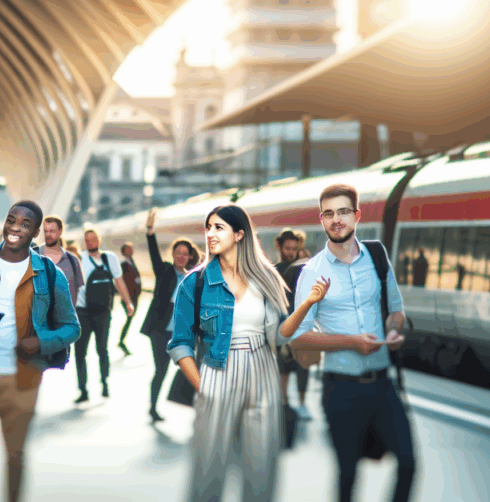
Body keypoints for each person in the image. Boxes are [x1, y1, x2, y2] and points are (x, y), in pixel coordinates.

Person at [167, 205, 326, 502]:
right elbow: (179, 343)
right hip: (217, 371)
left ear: (240, 235)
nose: (211, 234)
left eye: (219, 228)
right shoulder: (196, 282)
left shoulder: (266, 279)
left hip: (262, 372)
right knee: (208, 473)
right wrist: (203, 386)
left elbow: (278, 335)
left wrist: (306, 307)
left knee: (260, 474)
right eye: (209, 227)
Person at [289, 183, 415, 502]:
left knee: (409, 463)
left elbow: (396, 310)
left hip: (383, 386)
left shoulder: (376, 255)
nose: (336, 220)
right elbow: (298, 337)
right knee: (348, 475)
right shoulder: (312, 273)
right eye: (329, 213)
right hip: (341, 390)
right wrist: (351, 342)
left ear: (356, 216)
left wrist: (394, 330)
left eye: (343, 212)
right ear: (322, 220)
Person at [0, 201, 80, 502]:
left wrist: (39, 342)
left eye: (25, 224)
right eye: (11, 220)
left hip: (23, 380)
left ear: (36, 232)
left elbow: (71, 327)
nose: (15, 227)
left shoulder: (50, 274)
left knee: (15, 456)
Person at [138, 208, 201, 422]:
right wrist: (149, 231)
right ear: (173, 255)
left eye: (185, 253)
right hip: (161, 330)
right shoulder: (164, 270)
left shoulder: (193, 277)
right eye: (178, 253)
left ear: (190, 256)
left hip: (182, 333)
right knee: (161, 369)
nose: (181, 256)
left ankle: (191, 403)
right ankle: (153, 407)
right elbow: (153, 252)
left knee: (190, 368)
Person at [73, 228, 136, 403]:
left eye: (93, 239)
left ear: (99, 240)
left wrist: (128, 302)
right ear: (85, 242)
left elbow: (119, 281)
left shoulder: (110, 258)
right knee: (80, 352)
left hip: (103, 312)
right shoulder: (79, 258)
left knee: (102, 349)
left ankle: (104, 383)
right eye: (87, 239)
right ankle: (83, 390)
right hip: (82, 312)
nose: (91, 242)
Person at [274, 228, 313, 420]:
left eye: (294, 249)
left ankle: (303, 404)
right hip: (283, 326)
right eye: (287, 248)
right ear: (280, 247)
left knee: (303, 366)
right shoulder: (274, 271)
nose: (291, 252)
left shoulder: (304, 269)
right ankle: (284, 402)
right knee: (284, 368)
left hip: (303, 325)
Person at [40, 216, 85, 309]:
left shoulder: (73, 261)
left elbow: (79, 291)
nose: (48, 234)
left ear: (60, 231)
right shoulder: (33, 257)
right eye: (45, 231)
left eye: (52, 231)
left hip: (66, 320)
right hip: (39, 321)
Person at [117, 242, 142, 357]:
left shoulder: (132, 262)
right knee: (129, 319)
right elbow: (121, 282)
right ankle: (121, 341)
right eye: (128, 249)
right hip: (129, 299)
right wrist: (127, 298)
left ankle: (121, 341)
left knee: (129, 319)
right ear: (124, 251)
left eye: (131, 248)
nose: (131, 251)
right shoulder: (123, 265)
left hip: (134, 297)